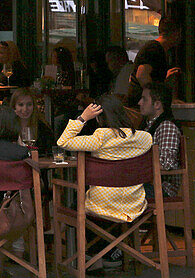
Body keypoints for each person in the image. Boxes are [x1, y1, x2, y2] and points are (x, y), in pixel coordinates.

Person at [56, 94, 153, 222]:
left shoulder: (100, 138)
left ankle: (85, 241)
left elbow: (63, 142)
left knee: (74, 205)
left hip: (100, 207)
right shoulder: (145, 138)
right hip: (134, 207)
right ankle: (118, 241)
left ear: (99, 118)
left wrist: (82, 118)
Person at [126, 18, 182, 107]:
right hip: (140, 105)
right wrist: (156, 99)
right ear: (175, 33)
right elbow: (141, 75)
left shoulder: (160, 50)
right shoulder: (154, 48)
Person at [139, 81, 181, 198]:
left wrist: (136, 166)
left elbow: (167, 163)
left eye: (144, 99)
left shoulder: (166, 126)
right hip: (146, 183)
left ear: (157, 104)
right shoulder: (147, 125)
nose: (139, 103)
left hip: (161, 188)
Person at [9, 87, 54, 154]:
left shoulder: (42, 128)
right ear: (14, 106)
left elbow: (51, 152)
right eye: (21, 105)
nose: (25, 109)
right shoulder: (8, 127)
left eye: (29, 104)